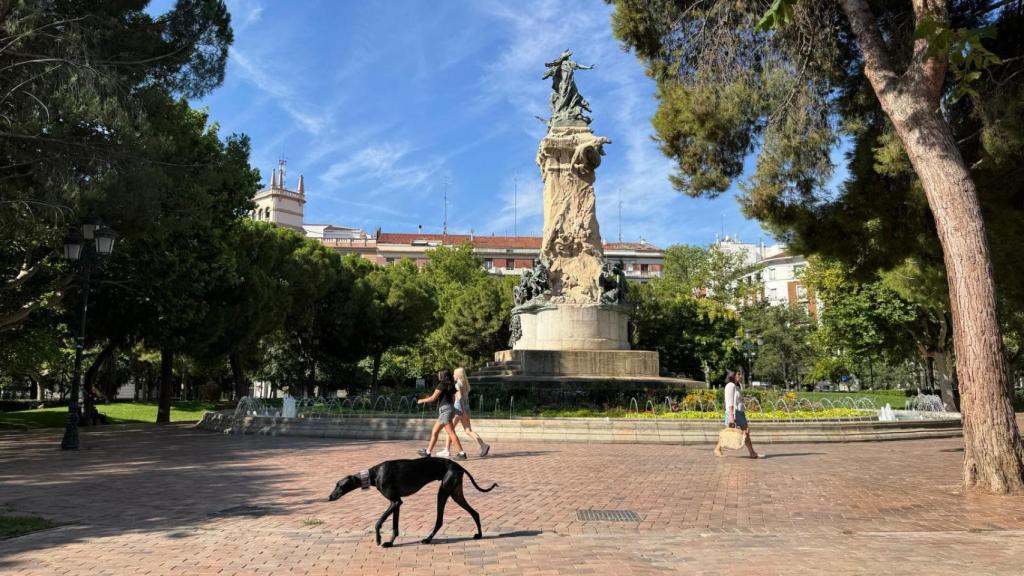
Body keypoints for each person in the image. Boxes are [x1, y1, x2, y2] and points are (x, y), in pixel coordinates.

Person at [440, 367, 491, 458]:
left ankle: (446, 450)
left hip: (458, 409)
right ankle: (483, 446)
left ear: (458, 375)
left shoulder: (457, 385)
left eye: (454, 374)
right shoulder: (465, 385)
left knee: (450, 430)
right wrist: (466, 411)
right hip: (466, 408)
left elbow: (459, 399)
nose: (453, 375)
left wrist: (462, 412)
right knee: (468, 430)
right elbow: (465, 400)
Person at [417, 369, 467, 460]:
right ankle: (428, 452)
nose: (438, 376)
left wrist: (422, 400)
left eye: (439, 374)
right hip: (447, 410)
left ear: (443, 376)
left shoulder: (442, 385)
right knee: (435, 431)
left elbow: (433, 398)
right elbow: (453, 400)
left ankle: (461, 453)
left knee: (451, 433)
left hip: (445, 411)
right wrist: (451, 409)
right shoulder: (451, 386)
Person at [714, 369, 762, 458]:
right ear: (733, 375)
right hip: (733, 413)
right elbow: (729, 402)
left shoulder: (737, 386)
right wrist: (732, 417)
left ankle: (752, 453)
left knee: (746, 432)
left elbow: (738, 400)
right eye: (738, 374)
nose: (740, 376)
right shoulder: (730, 385)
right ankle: (717, 449)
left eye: (741, 374)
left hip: (740, 412)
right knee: (728, 433)